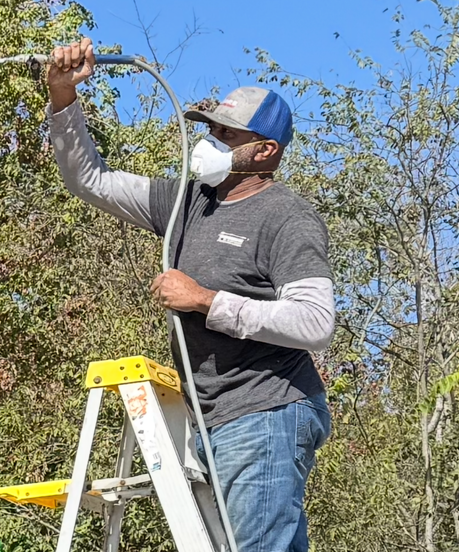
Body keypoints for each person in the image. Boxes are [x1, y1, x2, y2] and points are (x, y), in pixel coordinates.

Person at [45, 38, 335, 552]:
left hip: (267, 411)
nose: (211, 141)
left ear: (266, 150)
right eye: (211, 129)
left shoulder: (286, 217)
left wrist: (205, 300)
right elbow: (90, 179)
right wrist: (63, 95)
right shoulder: (186, 200)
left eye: (228, 133)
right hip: (210, 418)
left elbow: (315, 322)